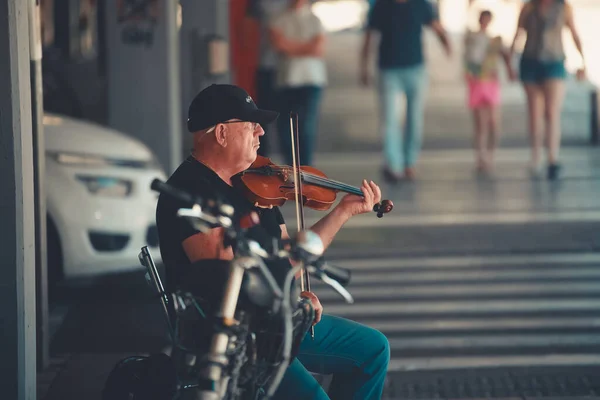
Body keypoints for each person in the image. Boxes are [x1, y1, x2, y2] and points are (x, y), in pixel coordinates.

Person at [155, 84, 390, 400]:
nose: (261, 132)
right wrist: (290, 299)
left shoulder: (255, 184)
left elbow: (289, 257)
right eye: (251, 124)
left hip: (276, 324)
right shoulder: (187, 193)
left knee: (373, 350)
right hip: (236, 340)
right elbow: (228, 284)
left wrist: (343, 211)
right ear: (222, 133)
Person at [360, 0, 451, 183]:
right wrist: (363, 66)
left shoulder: (421, 4)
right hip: (388, 70)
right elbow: (369, 35)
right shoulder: (381, 6)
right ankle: (394, 164)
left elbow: (436, 26)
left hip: (415, 69)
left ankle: (409, 162)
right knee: (390, 119)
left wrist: (447, 45)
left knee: (414, 118)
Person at [509, 0, 586, 180]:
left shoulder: (564, 8)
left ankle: (553, 158)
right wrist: (510, 61)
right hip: (530, 61)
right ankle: (536, 156)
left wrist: (583, 61)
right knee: (534, 113)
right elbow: (518, 33)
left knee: (552, 112)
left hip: (554, 61)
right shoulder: (528, 7)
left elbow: (574, 34)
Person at [269, 0, 327, 166]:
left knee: (306, 127)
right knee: (285, 128)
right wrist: (306, 47)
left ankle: (307, 169)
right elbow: (279, 45)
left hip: (311, 79)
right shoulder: (278, 19)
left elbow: (318, 49)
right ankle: (291, 167)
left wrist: (291, 47)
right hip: (287, 80)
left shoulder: (315, 19)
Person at [464, 10, 515, 173]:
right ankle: (481, 156)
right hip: (477, 82)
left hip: (491, 83)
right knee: (480, 123)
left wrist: (510, 70)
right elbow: (468, 60)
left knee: (493, 122)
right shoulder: (471, 38)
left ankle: (490, 155)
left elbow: (506, 55)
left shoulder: (496, 40)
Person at [243, 0, 291, 157]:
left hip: (291, 69)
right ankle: (262, 164)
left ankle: (292, 169)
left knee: (288, 123)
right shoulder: (257, 3)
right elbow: (246, 28)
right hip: (266, 65)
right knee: (263, 120)